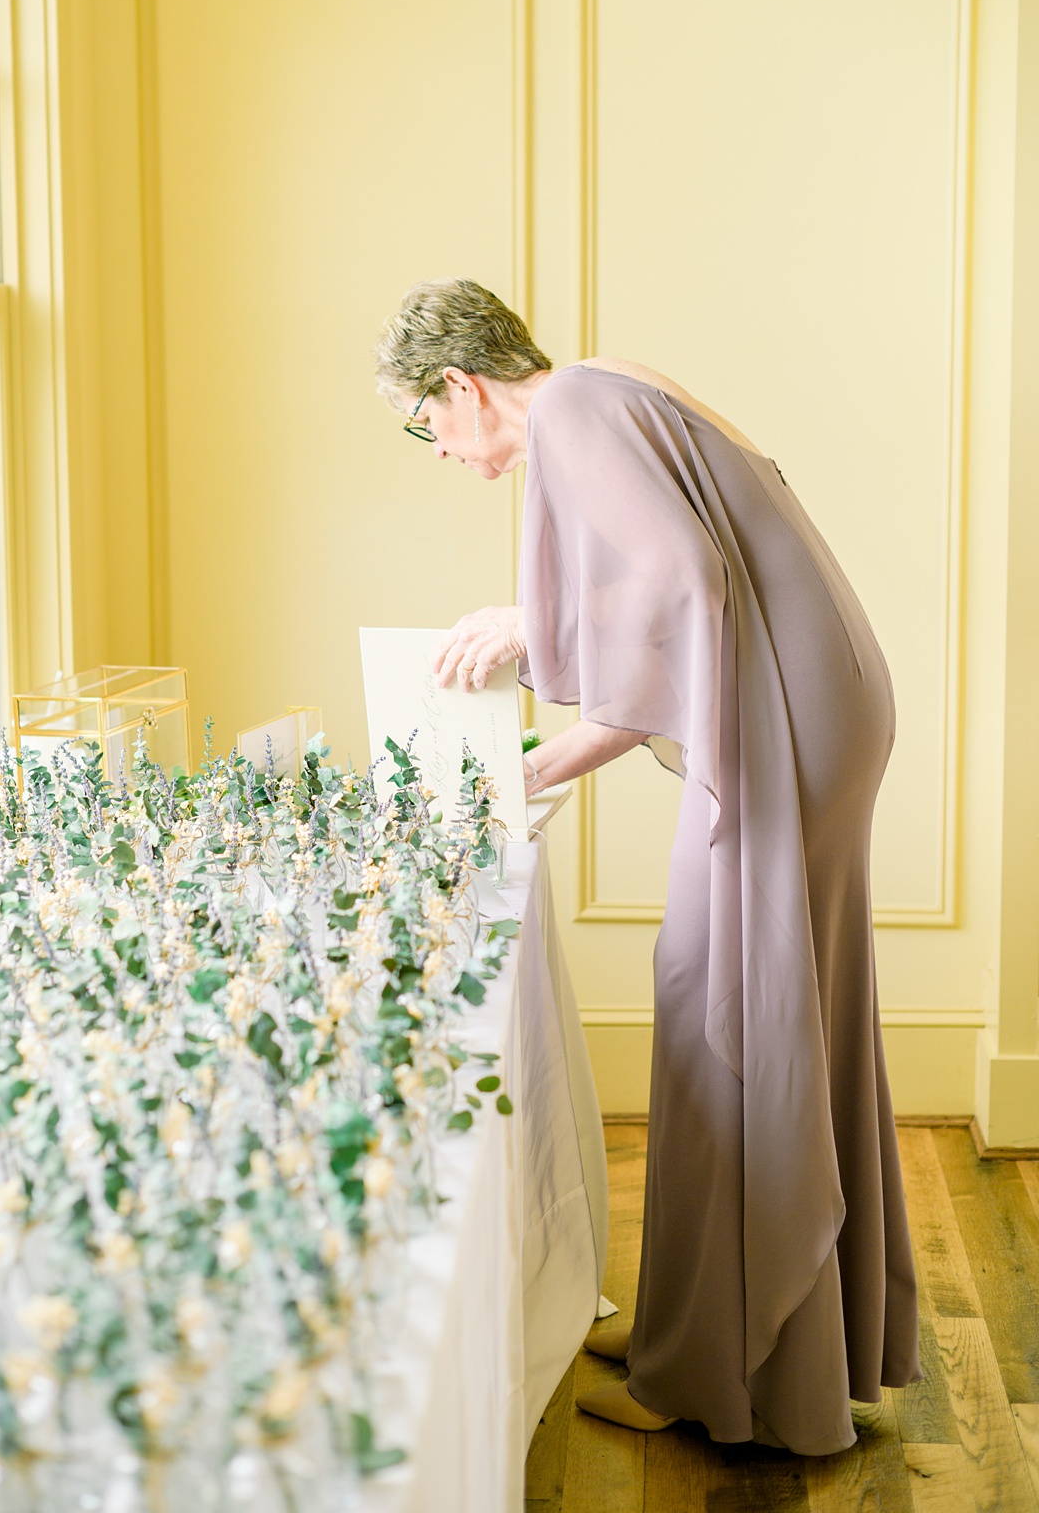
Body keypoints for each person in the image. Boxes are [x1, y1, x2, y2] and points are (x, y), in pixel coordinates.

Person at [373, 278, 917, 1454]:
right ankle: (703, 1325)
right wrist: (545, 758)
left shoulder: (574, 410)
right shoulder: (609, 389)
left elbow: (688, 590)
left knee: (730, 1011)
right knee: (760, 1008)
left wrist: (529, 627)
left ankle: (730, 1379)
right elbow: (688, 616)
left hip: (797, 724)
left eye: (427, 422)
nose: (442, 448)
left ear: (460, 387)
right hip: (817, 709)